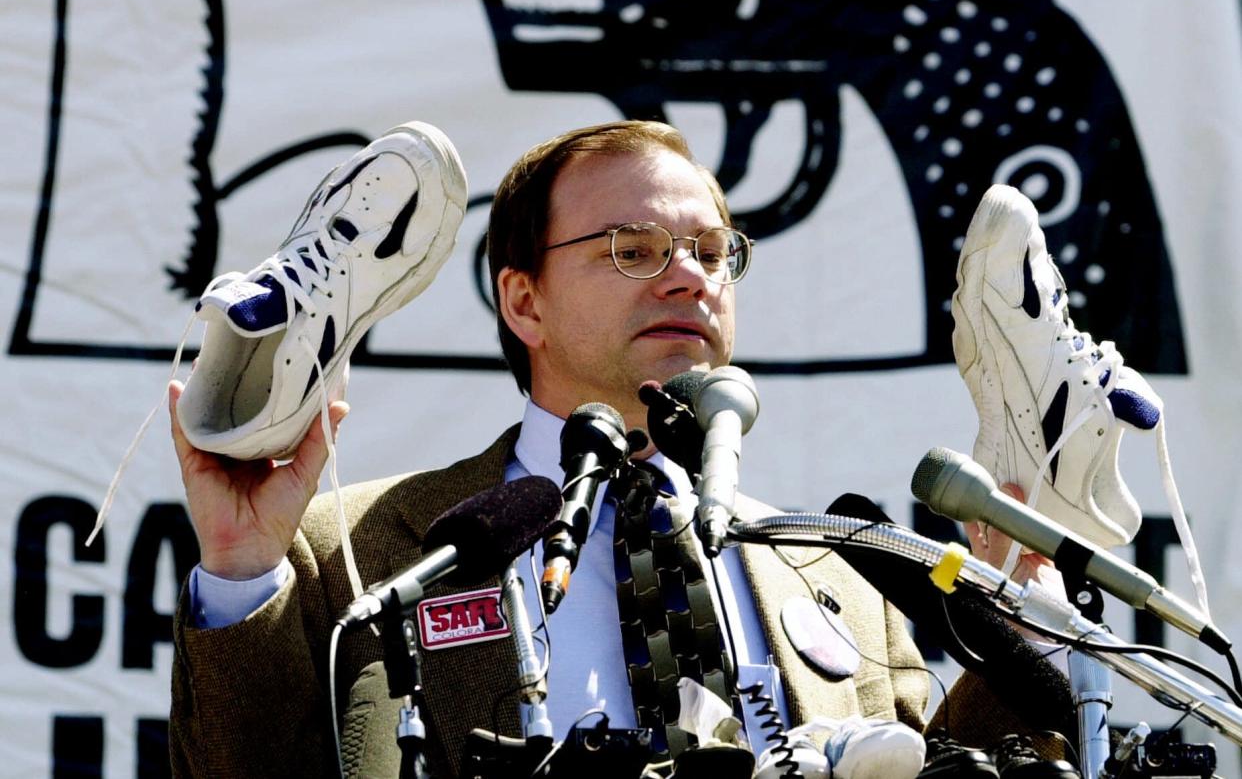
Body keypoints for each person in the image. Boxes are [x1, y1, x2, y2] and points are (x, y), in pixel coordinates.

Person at [168, 120, 1065, 777]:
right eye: (632, 249)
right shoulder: (358, 552)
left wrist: (1027, 636)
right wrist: (243, 568)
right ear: (524, 303)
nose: (688, 276)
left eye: (712, 252)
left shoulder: (840, 578)